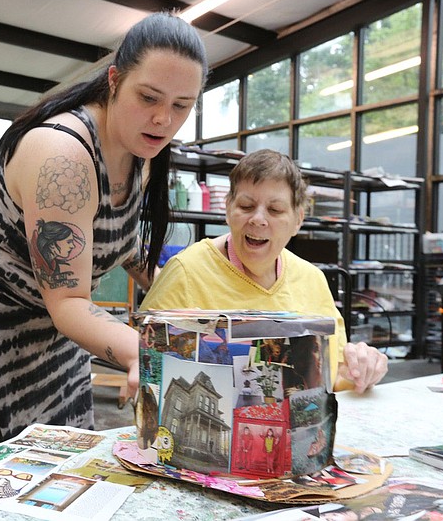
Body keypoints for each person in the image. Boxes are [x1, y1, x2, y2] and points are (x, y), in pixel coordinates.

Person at [0, 12, 208, 437]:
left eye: (182, 105)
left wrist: (181, 296)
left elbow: (116, 242)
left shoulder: (139, 151)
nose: (163, 119)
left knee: (55, 453)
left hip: (58, 320)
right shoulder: (62, 156)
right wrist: (143, 351)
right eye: (148, 97)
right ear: (115, 80)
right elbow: (67, 299)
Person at [139, 149, 388, 393]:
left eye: (275, 210)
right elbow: (146, 370)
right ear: (228, 208)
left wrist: (361, 370)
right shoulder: (186, 272)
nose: (258, 219)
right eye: (246, 206)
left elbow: (330, 378)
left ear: (298, 220)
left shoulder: (312, 280)